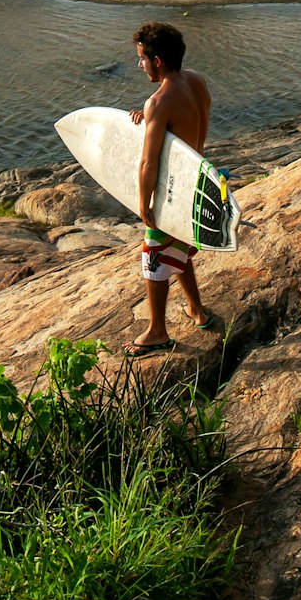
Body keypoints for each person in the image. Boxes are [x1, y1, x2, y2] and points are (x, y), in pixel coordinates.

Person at [125, 22, 213, 355]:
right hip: (195, 181)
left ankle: (157, 331)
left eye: (142, 59)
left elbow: (148, 163)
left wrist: (143, 204)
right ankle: (196, 308)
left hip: (171, 189)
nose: (139, 65)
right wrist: (152, 119)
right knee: (179, 247)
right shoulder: (196, 81)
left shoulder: (159, 101)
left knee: (155, 257)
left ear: (157, 60)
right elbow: (185, 120)